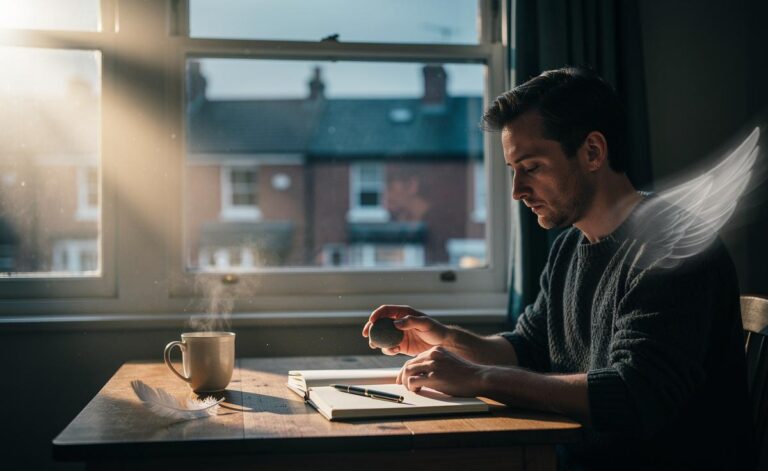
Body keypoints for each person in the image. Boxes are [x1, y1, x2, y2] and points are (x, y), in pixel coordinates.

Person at [362, 67, 755, 470]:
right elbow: (528, 349)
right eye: (514, 171)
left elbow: (634, 395)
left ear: (593, 152)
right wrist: (444, 339)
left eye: (531, 167)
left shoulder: (671, 247)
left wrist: (479, 377)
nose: (517, 191)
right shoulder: (569, 246)